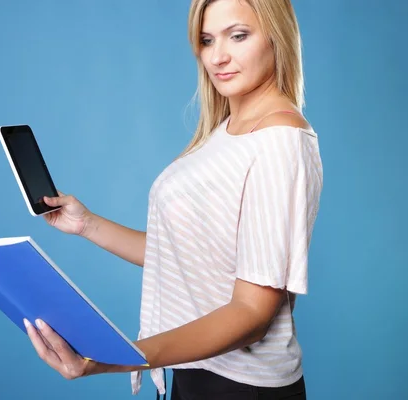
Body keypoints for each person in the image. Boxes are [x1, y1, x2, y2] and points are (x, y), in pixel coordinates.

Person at [23, 0, 323, 399]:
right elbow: (190, 257)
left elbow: (252, 314)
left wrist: (119, 356)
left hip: (242, 387)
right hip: (197, 372)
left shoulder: (279, 142)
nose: (218, 56)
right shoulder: (228, 130)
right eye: (206, 40)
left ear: (276, 36)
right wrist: (87, 224)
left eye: (238, 35)